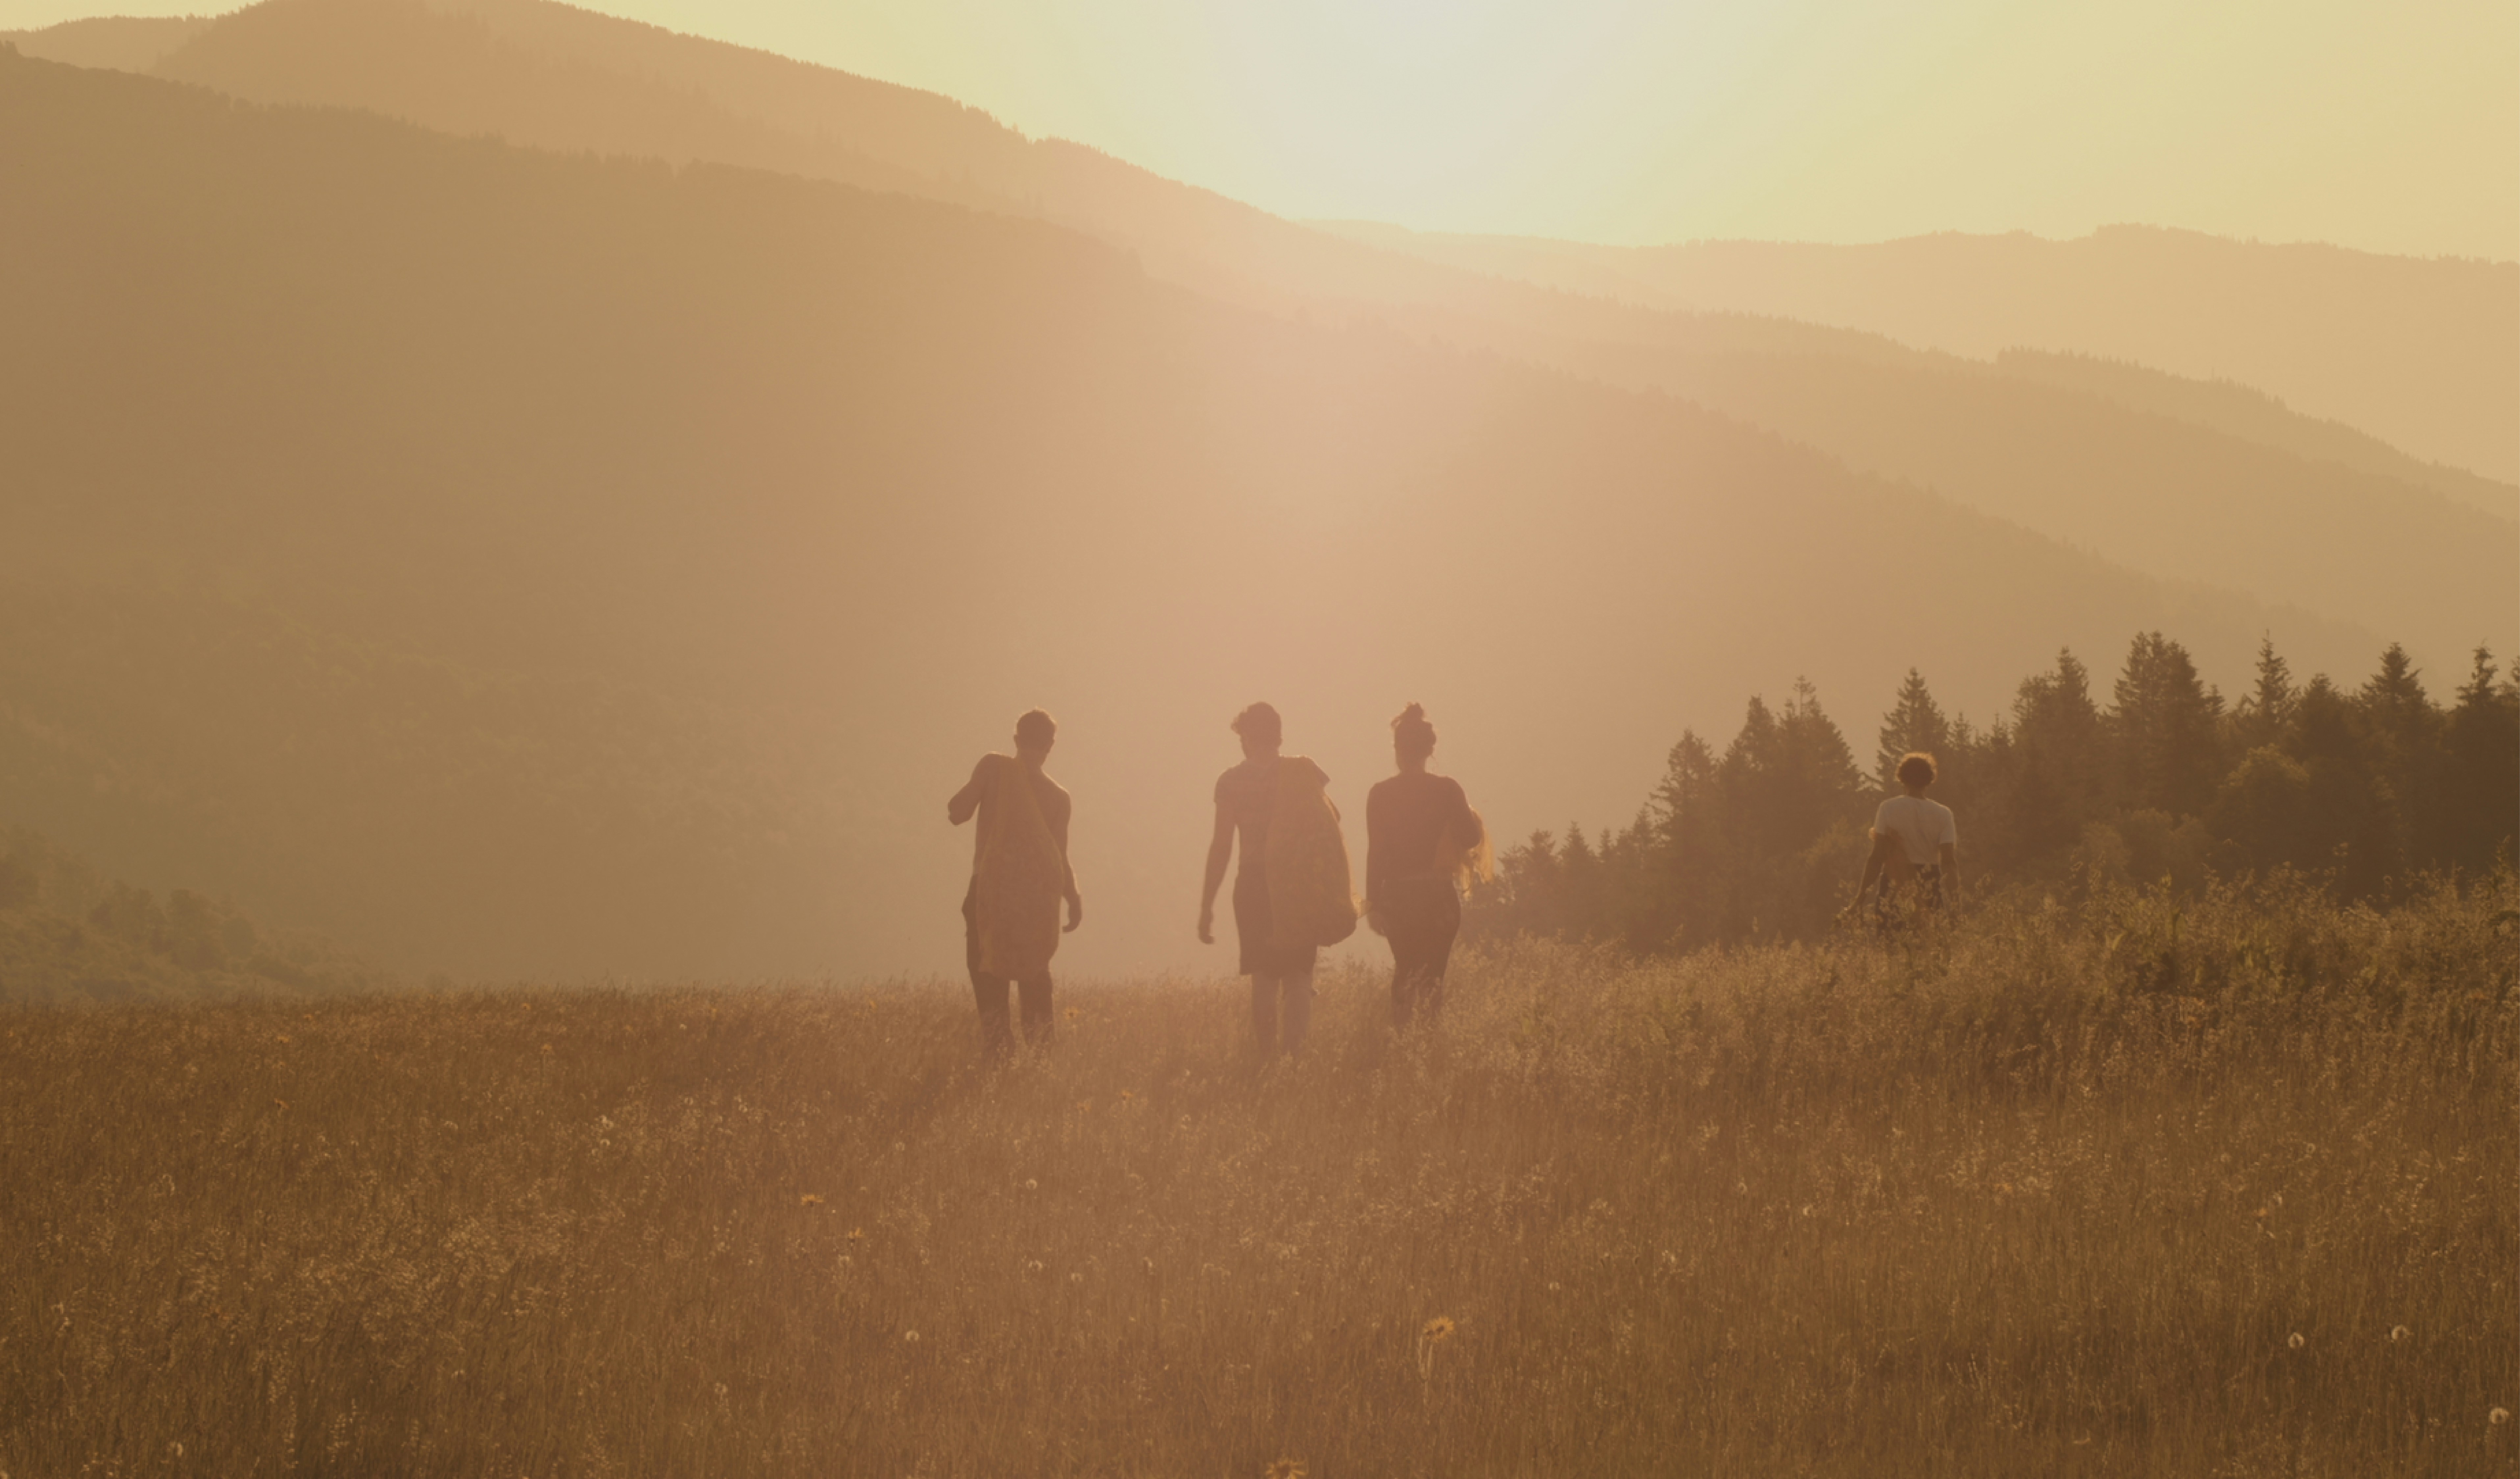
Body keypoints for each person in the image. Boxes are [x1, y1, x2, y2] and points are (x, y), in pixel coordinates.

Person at [1199, 702, 1352, 1057]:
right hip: (1299, 883)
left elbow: (1222, 845)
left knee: (1264, 976)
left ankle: (1267, 1059)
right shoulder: (1305, 770)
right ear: (1278, 734)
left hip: (1254, 883)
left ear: (1246, 737)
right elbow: (1332, 821)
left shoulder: (1230, 782)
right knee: (1299, 973)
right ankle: (1295, 1058)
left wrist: (1207, 905)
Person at [946, 709, 1082, 1054]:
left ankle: (999, 1054)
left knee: (988, 974)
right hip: (1035, 901)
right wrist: (1074, 897)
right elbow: (1059, 857)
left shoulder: (995, 768)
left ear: (1016, 740)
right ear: (1052, 745)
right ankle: (1041, 1055)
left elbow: (957, 812)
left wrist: (972, 789)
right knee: (1034, 973)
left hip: (987, 894)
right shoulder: (1058, 797)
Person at [1365, 702, 1486, 1029]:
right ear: (1431, 749)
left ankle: (1403, 1038)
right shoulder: (1448, 789)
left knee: (1405, 970)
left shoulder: (1380, 794)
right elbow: (1471, 838)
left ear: (1397, 749)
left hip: (1398, 897)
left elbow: (1376, 852)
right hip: (1437, 896)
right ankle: (1427, 1042)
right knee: (1434, 974)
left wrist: (1373, 904)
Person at [1846, 750, 1961, 928]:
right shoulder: (1944, 814)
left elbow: (1876, 858)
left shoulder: (1888, 809)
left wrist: (1859, 901)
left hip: (1895, 879)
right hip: (1929, 881)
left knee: (1891, 945)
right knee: (1929, 945)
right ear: (1930, 780)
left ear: (1902, 778)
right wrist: (1955, 907)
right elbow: (1949, 863)